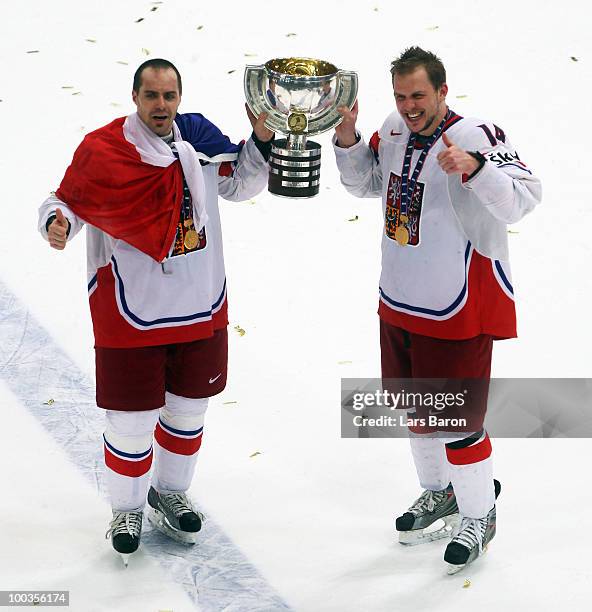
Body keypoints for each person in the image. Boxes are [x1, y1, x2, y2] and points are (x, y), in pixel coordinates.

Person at [38, 58, 274, 565]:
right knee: (130, 420)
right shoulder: (107, 149)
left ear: (179, 98)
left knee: (187, 412)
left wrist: (262, 140)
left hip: (198, 301)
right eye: (151, 96)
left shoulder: (200, 140)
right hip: (132, 305)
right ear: (136, 97)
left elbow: (240, 185)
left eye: (169, 96)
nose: (161, 105)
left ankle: (169, 493)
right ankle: (126, 509)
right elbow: (70, 201)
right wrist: (57, 222)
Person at [333, 47, 541, 573]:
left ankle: (480, 513)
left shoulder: (478, 135)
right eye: (401, 96)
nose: (409, 106)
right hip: (400, 298)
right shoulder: (392, 128)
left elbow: (524, 199)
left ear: (443, 91)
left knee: (456, 418)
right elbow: (365, 185)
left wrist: (474, 169)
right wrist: (349, 140)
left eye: (418, 96)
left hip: (458, 304)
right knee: (415, 414)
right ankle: (440, 493)